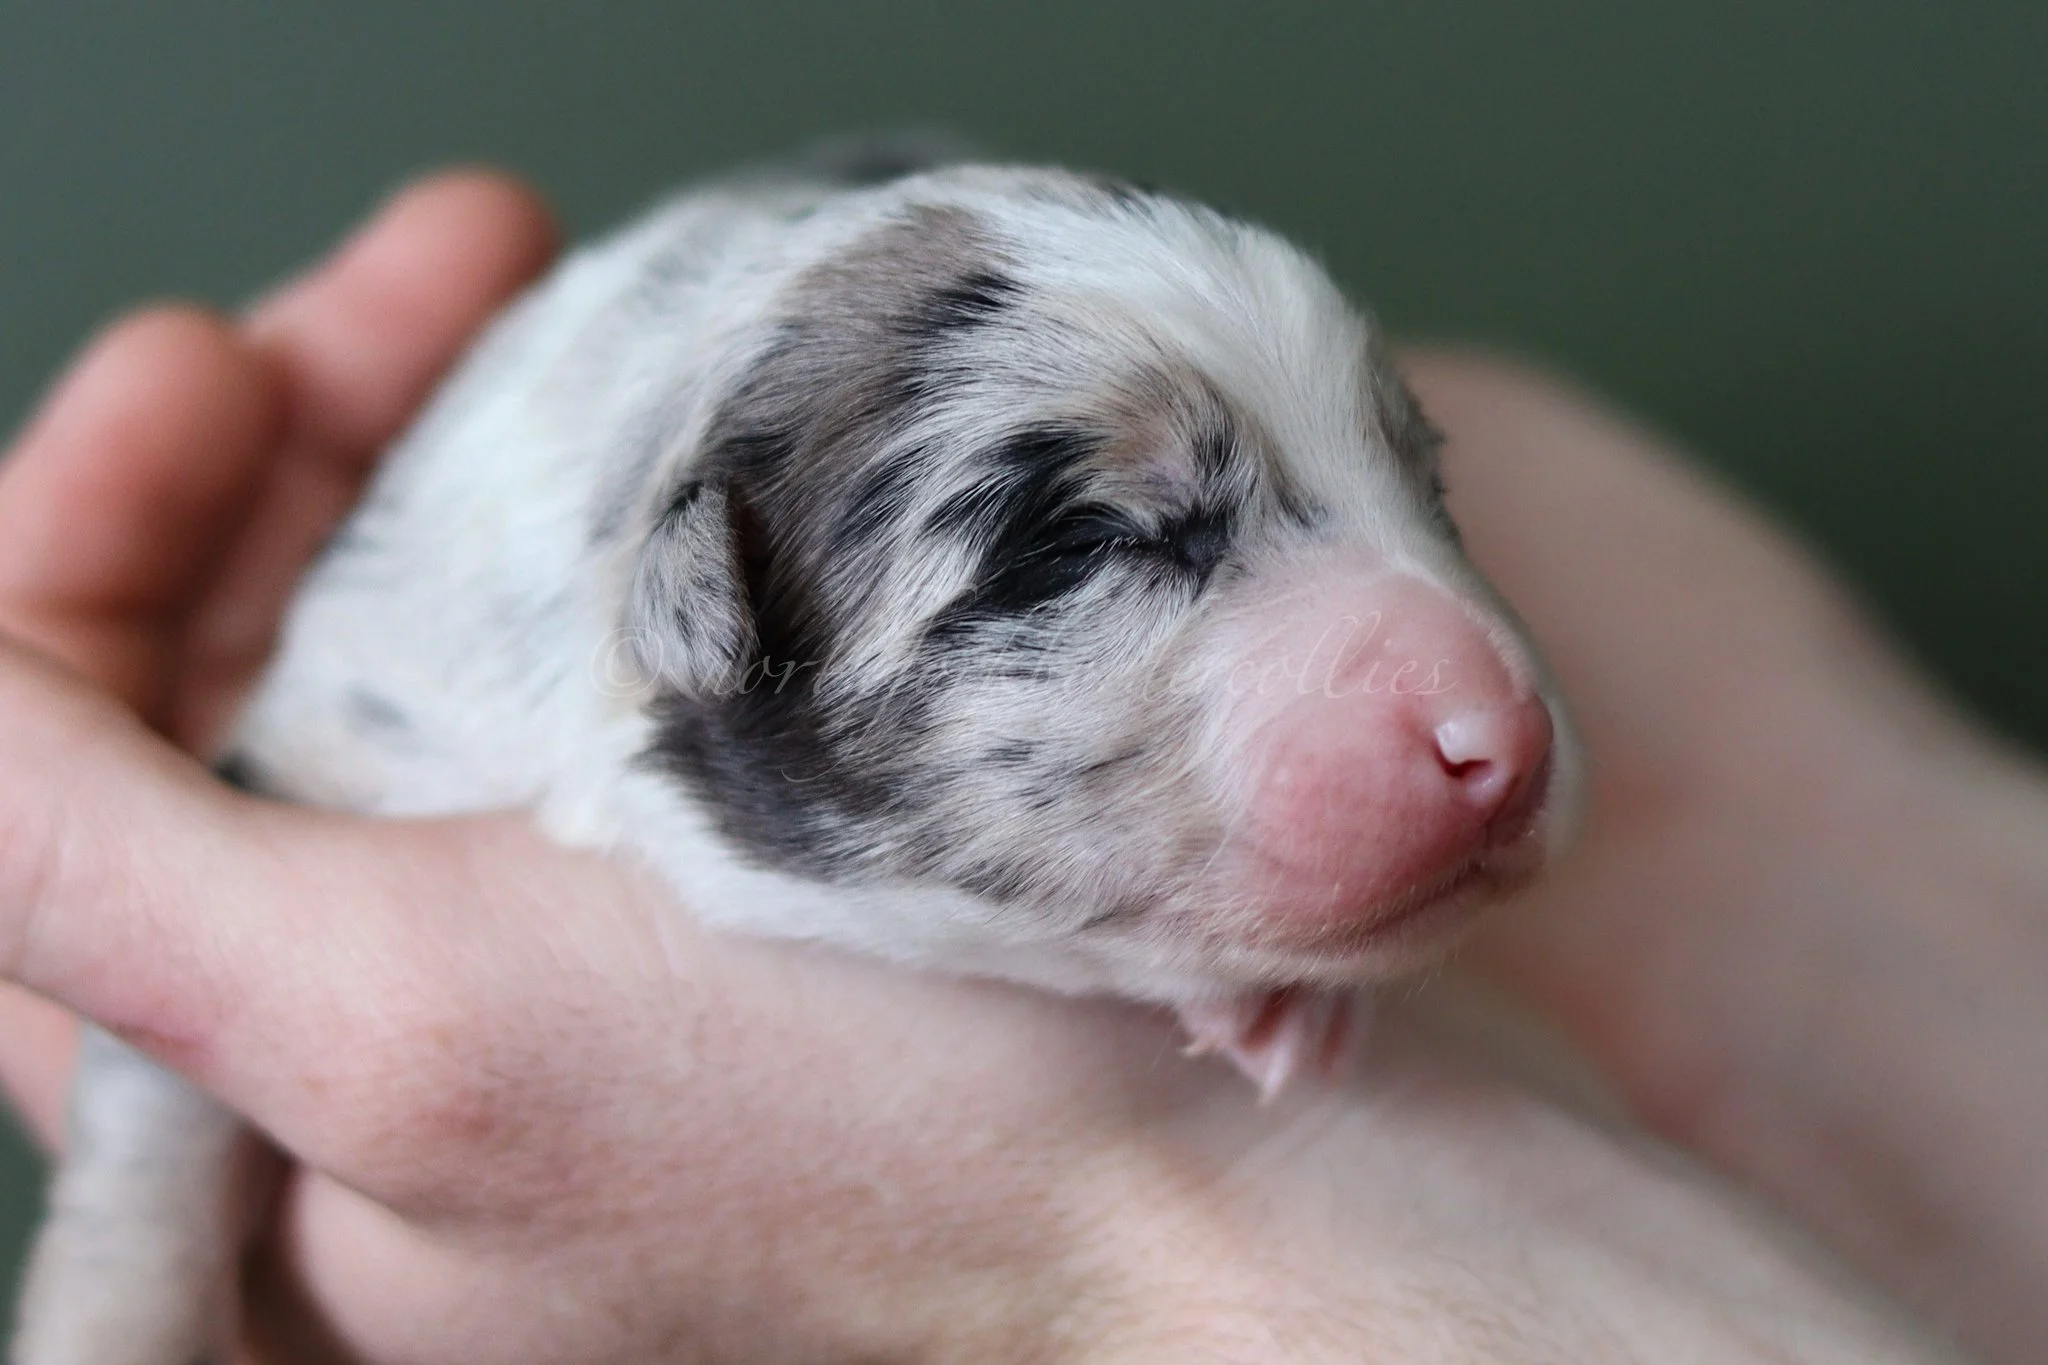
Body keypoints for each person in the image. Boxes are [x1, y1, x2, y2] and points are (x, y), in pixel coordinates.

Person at [0, 171, 2041, 1364]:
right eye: (1109, 538)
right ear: (708, 621)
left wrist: (1116, 1214)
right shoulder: (403, 685)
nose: (1488, 698)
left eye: (1406, 482)